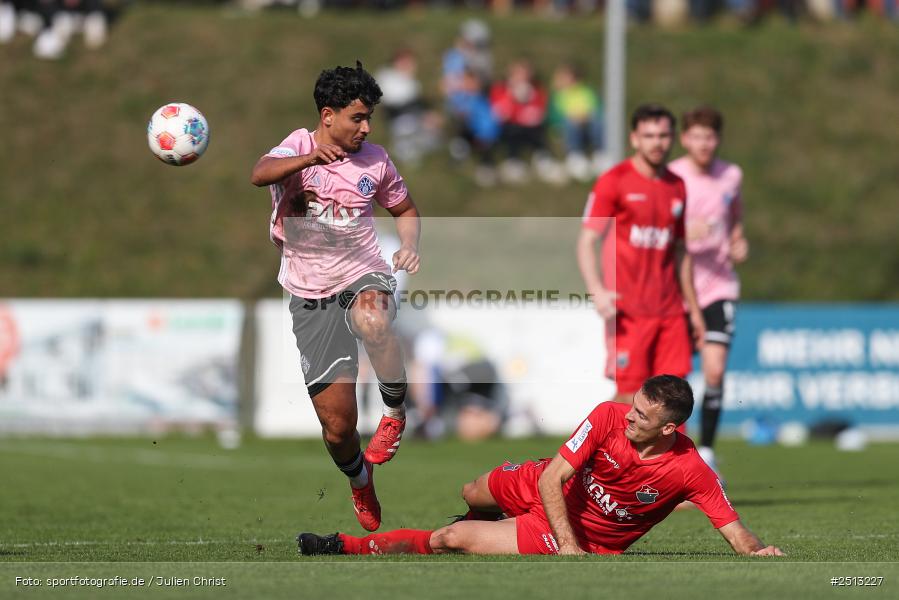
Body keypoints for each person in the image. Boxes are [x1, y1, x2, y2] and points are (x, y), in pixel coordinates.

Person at [297, 375, 784, 557]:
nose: (629, 416)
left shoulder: (690, 470)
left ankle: (345, 546)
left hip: (578, 534)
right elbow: (554, 477)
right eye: (634, 406)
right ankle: (497, 523)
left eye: (643, 416)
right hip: (546, 485)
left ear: (669, 430)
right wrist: (567, 543)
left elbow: (736, 532)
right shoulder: (607, 415)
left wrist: (758, 552)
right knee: (471, 492)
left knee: (451, 539)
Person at [250, 62, 421, 532]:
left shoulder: (376, 159)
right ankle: (360, 479)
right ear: (328, 115)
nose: (366, 128)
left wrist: (408, 245)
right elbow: (260, 173)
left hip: (362, 271)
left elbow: (404, 207)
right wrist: (306, 163)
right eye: (357, 118)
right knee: (339, 429)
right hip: (308, 292)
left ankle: (394, 412)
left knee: (372, 320)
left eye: (369, 119)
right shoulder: (299, 146)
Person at [577, 104, 705, 413]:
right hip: (629, 309)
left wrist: (694, 310)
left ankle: (667, 464)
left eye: (663, 135)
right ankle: (594, 455)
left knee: (673, 400)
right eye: (649, 135)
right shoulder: (614, 181)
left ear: (672, 138)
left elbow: (679, 250)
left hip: (670, 311)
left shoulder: (677, 186)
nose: (657, 143)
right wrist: (597, 289)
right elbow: (587, 241)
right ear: (635, 138)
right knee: (629, 399)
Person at [668, 106, 748, 476]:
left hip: (718, 287)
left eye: (710, 136)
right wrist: (683, 233)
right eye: (697, 136)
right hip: (677, 289)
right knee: (674, 375)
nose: (704, 143)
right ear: (685, 139)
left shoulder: (731, 176)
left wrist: (737, 240)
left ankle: (709, 452)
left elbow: (735, 218)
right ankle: (669, 457)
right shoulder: (672, 177)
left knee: (714, 371)